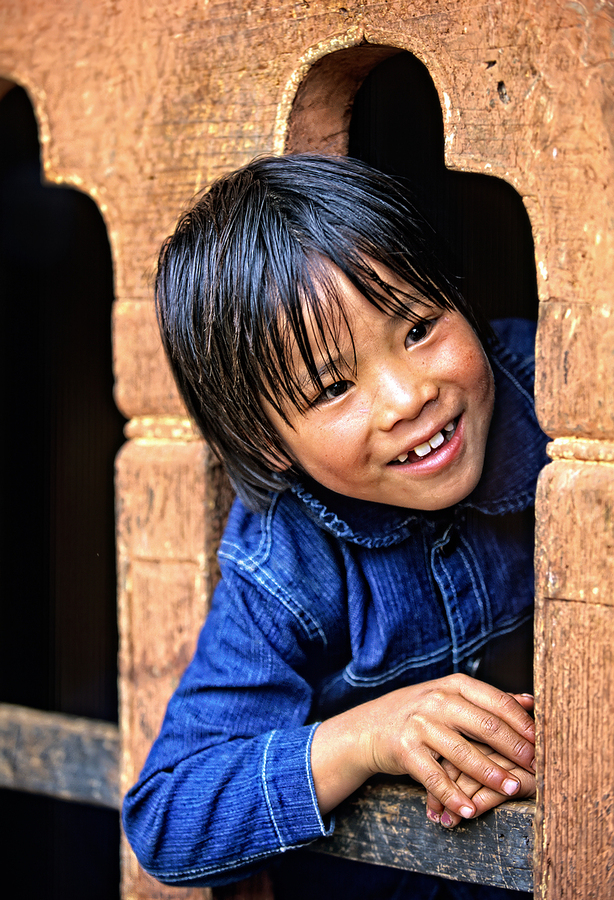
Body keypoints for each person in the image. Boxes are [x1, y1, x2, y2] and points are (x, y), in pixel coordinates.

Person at [122, 154, 548, 898]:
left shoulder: (568, 397)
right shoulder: (285, 563)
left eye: (418, 326)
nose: (409, 396)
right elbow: (166, 818)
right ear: (265, 441)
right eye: (332, 386)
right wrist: (363, 738)